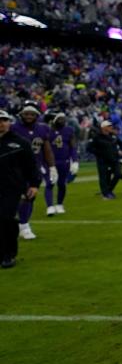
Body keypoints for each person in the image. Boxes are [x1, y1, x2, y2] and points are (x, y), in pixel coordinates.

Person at [0, 109, 40, 268]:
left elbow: (31, 166)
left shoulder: (20, 143)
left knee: (5, 219)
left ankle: (8, 255)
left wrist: (35, 185)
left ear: (9, 122)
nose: (1, 124)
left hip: (13, 189)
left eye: (4, 120)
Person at [12, 101, 55, 239]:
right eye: (26, 114)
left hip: (34, 167)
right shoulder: (13, 128)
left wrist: (52, 166)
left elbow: (47, 149)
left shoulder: (42, 129)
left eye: (32, 114)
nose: (29, 116)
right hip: (15, 167)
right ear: (21, 115)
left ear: (37, 116)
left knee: (30, 196)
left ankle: (24, 225)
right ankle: (19, 224)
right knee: (14, 197)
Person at [87, 120, 122, 199]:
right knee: (104, 177)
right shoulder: (97, 137)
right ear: (103, 128)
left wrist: (121, 150)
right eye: (109, 126)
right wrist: (100, 153)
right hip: (103, 160)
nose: (111, 127)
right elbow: (89, 148)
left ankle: (108, 191)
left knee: (117, 174)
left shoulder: (113, 136)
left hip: (114, 159)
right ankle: (106, 193)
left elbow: (121, 143)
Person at [47, 112, 78, 215]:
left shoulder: (69, 130)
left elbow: (73, 146)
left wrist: (75, 161)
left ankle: (59, 204)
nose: (63, 121)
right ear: (55, 120)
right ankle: (50, 206)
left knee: (62, 184)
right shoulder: (48, 131)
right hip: (51, 162)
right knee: (50, 183)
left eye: (64, 119)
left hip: (64, 161)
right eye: (60, 119)